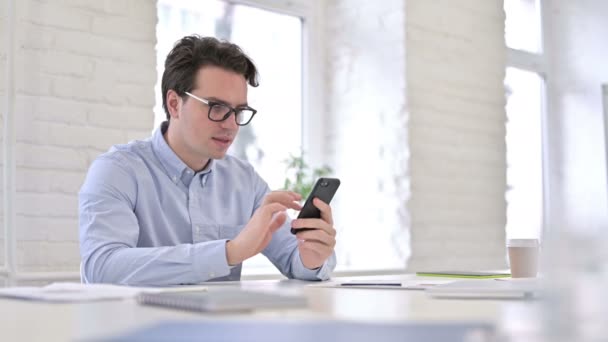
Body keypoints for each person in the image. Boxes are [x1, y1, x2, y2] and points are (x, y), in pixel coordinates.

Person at [79, 35, 337, 285]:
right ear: (174, 104)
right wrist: (229, 252)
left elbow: (296, 260)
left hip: (222, 328)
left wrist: (311, 258)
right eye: (216, 107)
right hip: (138, 326)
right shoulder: (118, 170)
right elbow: (102, 267)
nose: (230, 124)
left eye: (238, 111)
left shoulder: (245, 181)